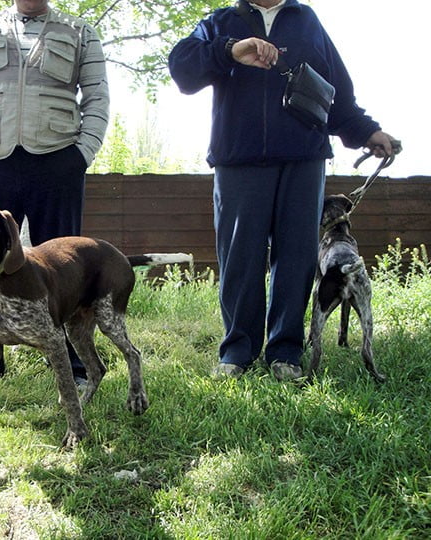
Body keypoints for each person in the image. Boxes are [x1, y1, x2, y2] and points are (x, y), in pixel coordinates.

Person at [168, 0, 397, 381]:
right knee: (239, 258)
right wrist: (230, 50)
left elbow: (336, 91)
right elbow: (183, 70)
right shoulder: (222, 21)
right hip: (238, 160)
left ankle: (285, 352)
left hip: (303, 159)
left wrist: (366, 132)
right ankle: (238, 351)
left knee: (296, 257)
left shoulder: (306, 20)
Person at [0, 0, 110, 386]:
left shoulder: (80, 31)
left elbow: (98, 96)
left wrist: (82, 153)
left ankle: (73, 366)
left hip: (58, 160)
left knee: (65, 267)